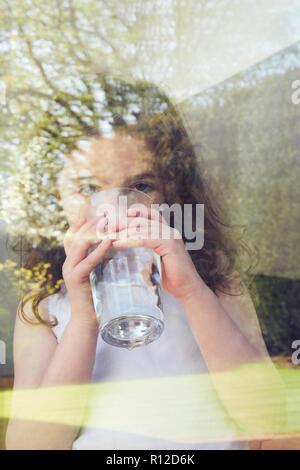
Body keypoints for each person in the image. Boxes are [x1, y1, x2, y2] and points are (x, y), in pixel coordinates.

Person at [5, 74, 285, 450]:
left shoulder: (213, 280)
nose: (116, 212)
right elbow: (29, 446)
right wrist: (84, 321)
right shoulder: (43, 310)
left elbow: (270, 421)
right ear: (56, 197)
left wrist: (190, 292)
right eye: (88, 189)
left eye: (140, 187)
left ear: (170, 191)